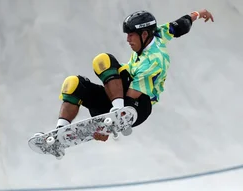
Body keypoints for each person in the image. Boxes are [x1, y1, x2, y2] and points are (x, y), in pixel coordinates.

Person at [56, 9, 214, 141]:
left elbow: (132, 96)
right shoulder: (158, 34)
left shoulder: (154, 61)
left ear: (144, 35)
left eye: (131, 35)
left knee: (104, 60)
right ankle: (60, 131)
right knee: (74, 84)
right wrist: (199, 14)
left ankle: (117, 113)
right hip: (121, 95)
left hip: (137, 106)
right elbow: (181, 25)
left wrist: (107, 128)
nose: (127, 39)